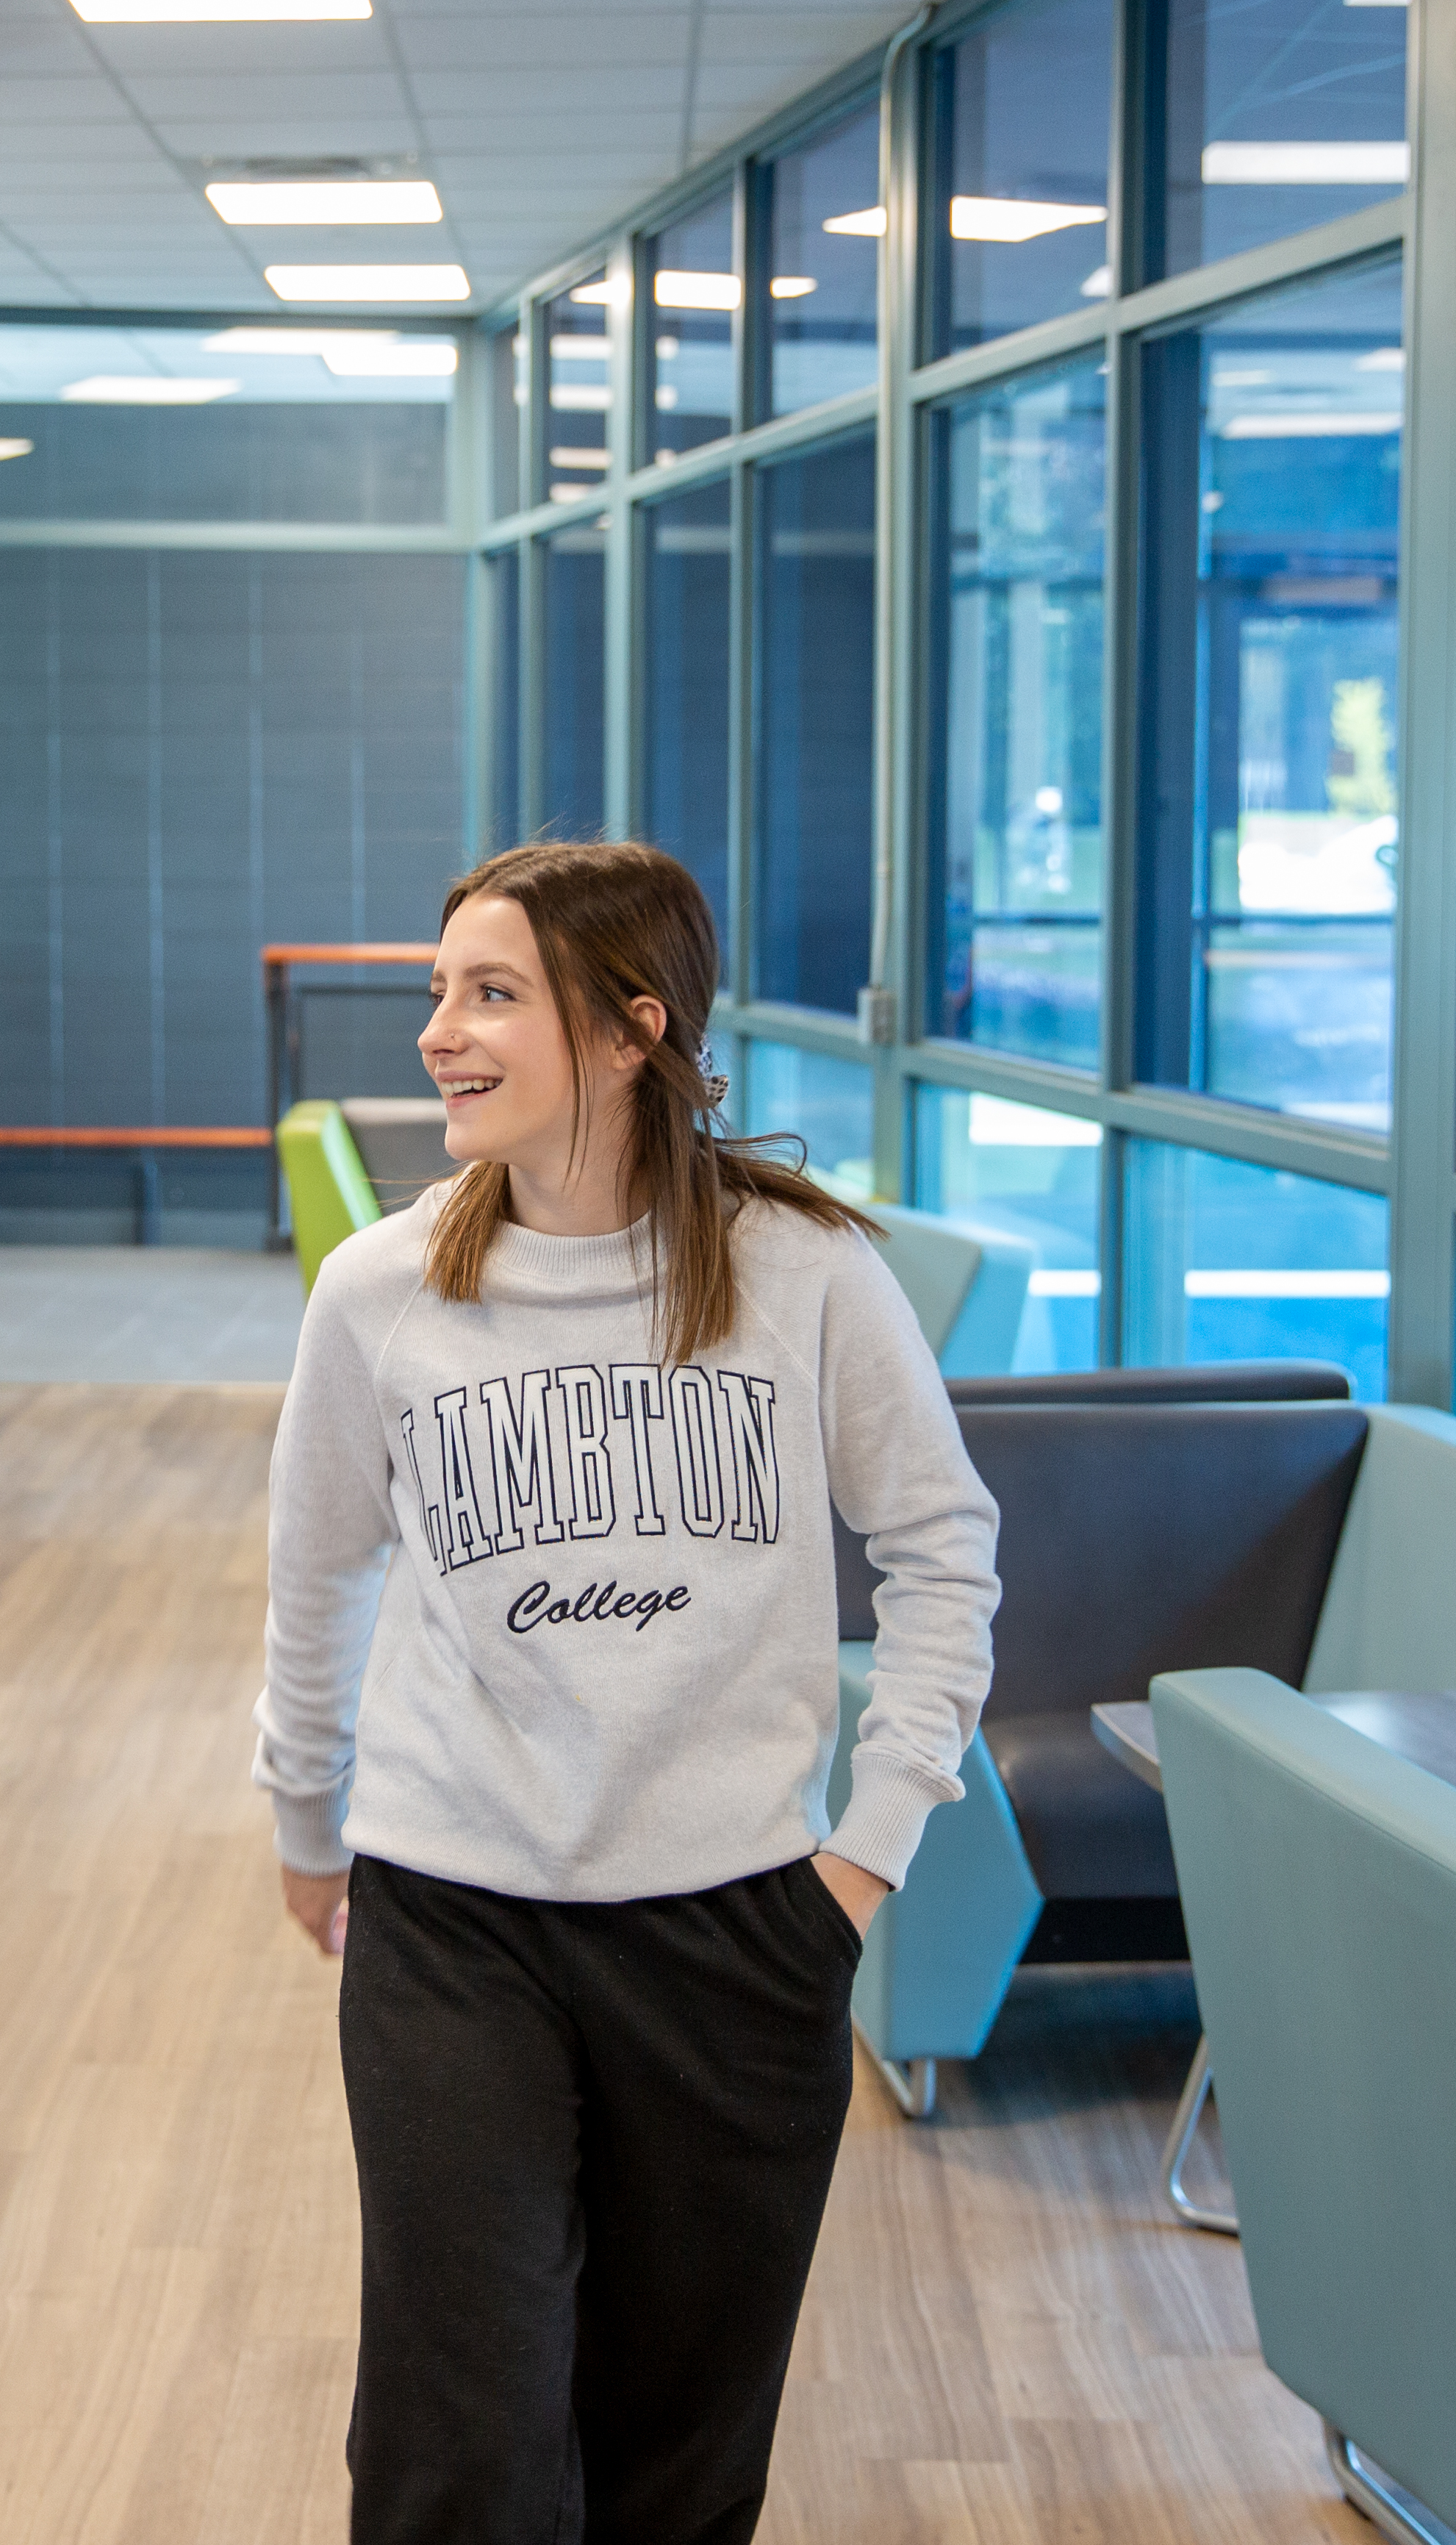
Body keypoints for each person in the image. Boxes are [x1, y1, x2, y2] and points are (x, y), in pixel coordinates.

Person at [254, 838, 1003, 2545]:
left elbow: (947, 1552)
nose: (441, 1031)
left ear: (628, 1029)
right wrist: (309, 1818)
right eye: (437, 992)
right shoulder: (376, 1296)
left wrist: (867, 1856)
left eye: (491, 993)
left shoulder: (805, 1278)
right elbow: (317, 1582)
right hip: (457, 1921)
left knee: (681, 2448)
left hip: (742, 1931)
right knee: (462, 2443)